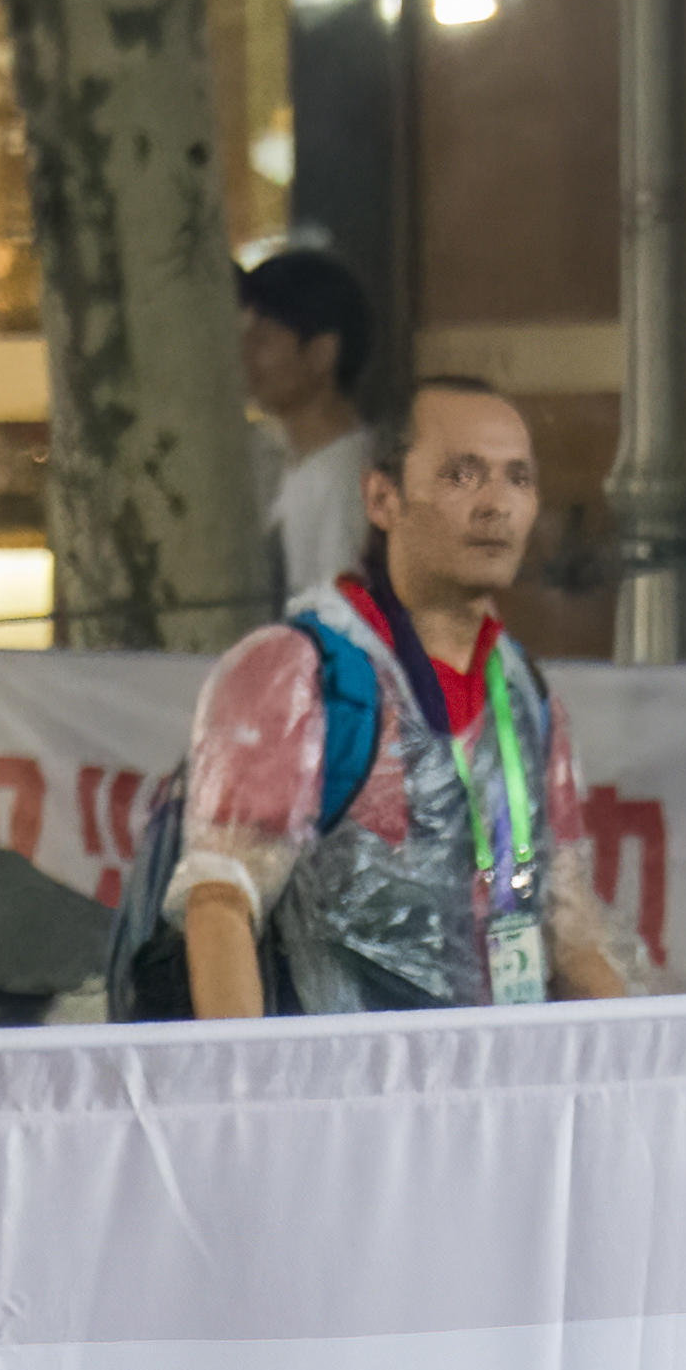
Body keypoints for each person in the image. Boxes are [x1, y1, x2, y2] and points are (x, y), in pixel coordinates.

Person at [166, 370, 651, 1018]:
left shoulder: (525, 694)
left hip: (497, 1099)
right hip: (343, 1102)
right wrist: (250, 1103)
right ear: (381, 498)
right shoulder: (296, 672)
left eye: (518, 477)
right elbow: (220, 903)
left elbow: (570, 932)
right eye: (461, 474)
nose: (496, 503)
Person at [236, 247, 378, 619]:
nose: (245, 354)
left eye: (263, 339)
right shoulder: (287, 463)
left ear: (321, 353)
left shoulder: (349, 483)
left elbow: (342, 629)